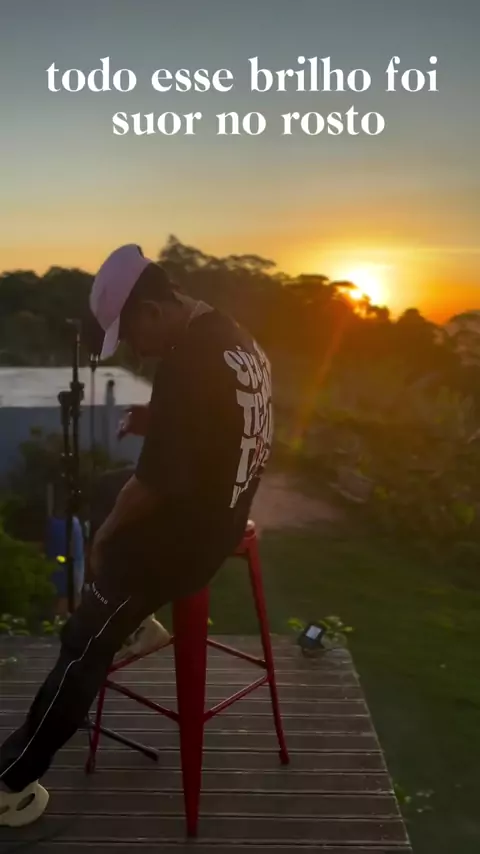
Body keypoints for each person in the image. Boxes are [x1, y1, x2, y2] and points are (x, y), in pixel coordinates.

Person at [0, 243, 274, 827]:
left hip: (183, 542)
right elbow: (223, 418)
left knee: (81, 646)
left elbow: (153, 485)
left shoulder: (184, 364)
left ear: (152, 308)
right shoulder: (235, 337)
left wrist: (102, 541)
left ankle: (11, 779)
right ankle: (134, 622)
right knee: (108, 486)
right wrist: (161, 419)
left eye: (129, 335)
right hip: (224, 512)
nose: (134, 350)